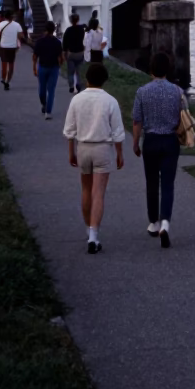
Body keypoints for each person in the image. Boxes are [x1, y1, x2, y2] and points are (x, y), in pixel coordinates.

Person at [63, 63, 125, 255]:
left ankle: (88, 228)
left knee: (86, 190)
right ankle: (94, 236)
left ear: (86, 79)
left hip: (83, 148)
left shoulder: (77, 100)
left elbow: (70, 131)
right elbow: (117, 132)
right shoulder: (110, 101)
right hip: (102, 149)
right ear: (104, 80)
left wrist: (71, 152)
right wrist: (119, 154)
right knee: (98, 192)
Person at [132, 52, 183, 248]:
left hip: (151, 140)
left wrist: (136, 142)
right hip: (170, 141)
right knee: (168, 183)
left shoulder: (142, 91)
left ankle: (153, 223)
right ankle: (166, 224)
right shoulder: (177, 91)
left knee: (152, 183)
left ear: (151, 69)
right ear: (167, 69)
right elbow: (183, 117)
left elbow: (137, 121)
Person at [32, 20, 64, 119]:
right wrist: (60, 64)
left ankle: (44, 105)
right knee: (51, 90)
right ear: (53, 30)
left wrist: (34, 68)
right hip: (54, 68)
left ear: (45, 29)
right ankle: (48, 112)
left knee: (42, 88)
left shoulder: (39, 41)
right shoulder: (57, 42)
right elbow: (61, 57)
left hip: (42, 67)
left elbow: (35, 56)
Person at [0, 11, 26, 90]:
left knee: (4, 63)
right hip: (12, 47)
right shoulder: (17, 25)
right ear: (12, 17)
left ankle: (3, 78)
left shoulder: (0, 25)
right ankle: (7, 81)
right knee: (11, 64)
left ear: (5, 17)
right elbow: (21, 36)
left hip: (3, 46)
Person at [63, 11, 86, 94]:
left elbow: (65, 43)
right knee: (79, 71)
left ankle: (71, 86)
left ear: (70, 20)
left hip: (71, 53)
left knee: (70, 71)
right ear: (78, 19)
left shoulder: (68, 30)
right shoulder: (81, 29)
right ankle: (78, 84)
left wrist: (64, 53)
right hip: (80, 52)